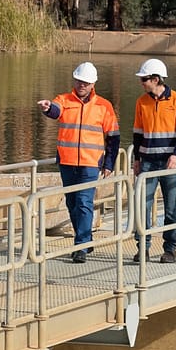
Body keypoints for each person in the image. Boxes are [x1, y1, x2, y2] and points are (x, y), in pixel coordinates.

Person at [37, 62, 119, 263]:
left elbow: (114, 136)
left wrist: (109, 163)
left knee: (83, 202)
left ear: (93, 84)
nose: (81, 85)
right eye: (79, 81)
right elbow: (55, 110)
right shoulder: (64, 100)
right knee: (72, 203)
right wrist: (48, 108)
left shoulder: (103, 106)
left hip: (91, 164)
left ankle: (80, 245)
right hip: (67, 162)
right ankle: (86, 239)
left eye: (85, 82)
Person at [130, 58, 176, 263]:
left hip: (169, 162)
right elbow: (137, 134)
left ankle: (170, 249)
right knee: (143, 206)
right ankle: (143, 248)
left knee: (171, 207)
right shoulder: (142, 102)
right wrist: (137, 159)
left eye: (145, 79)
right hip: (147, 161)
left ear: (156, 79)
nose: (142, 83)